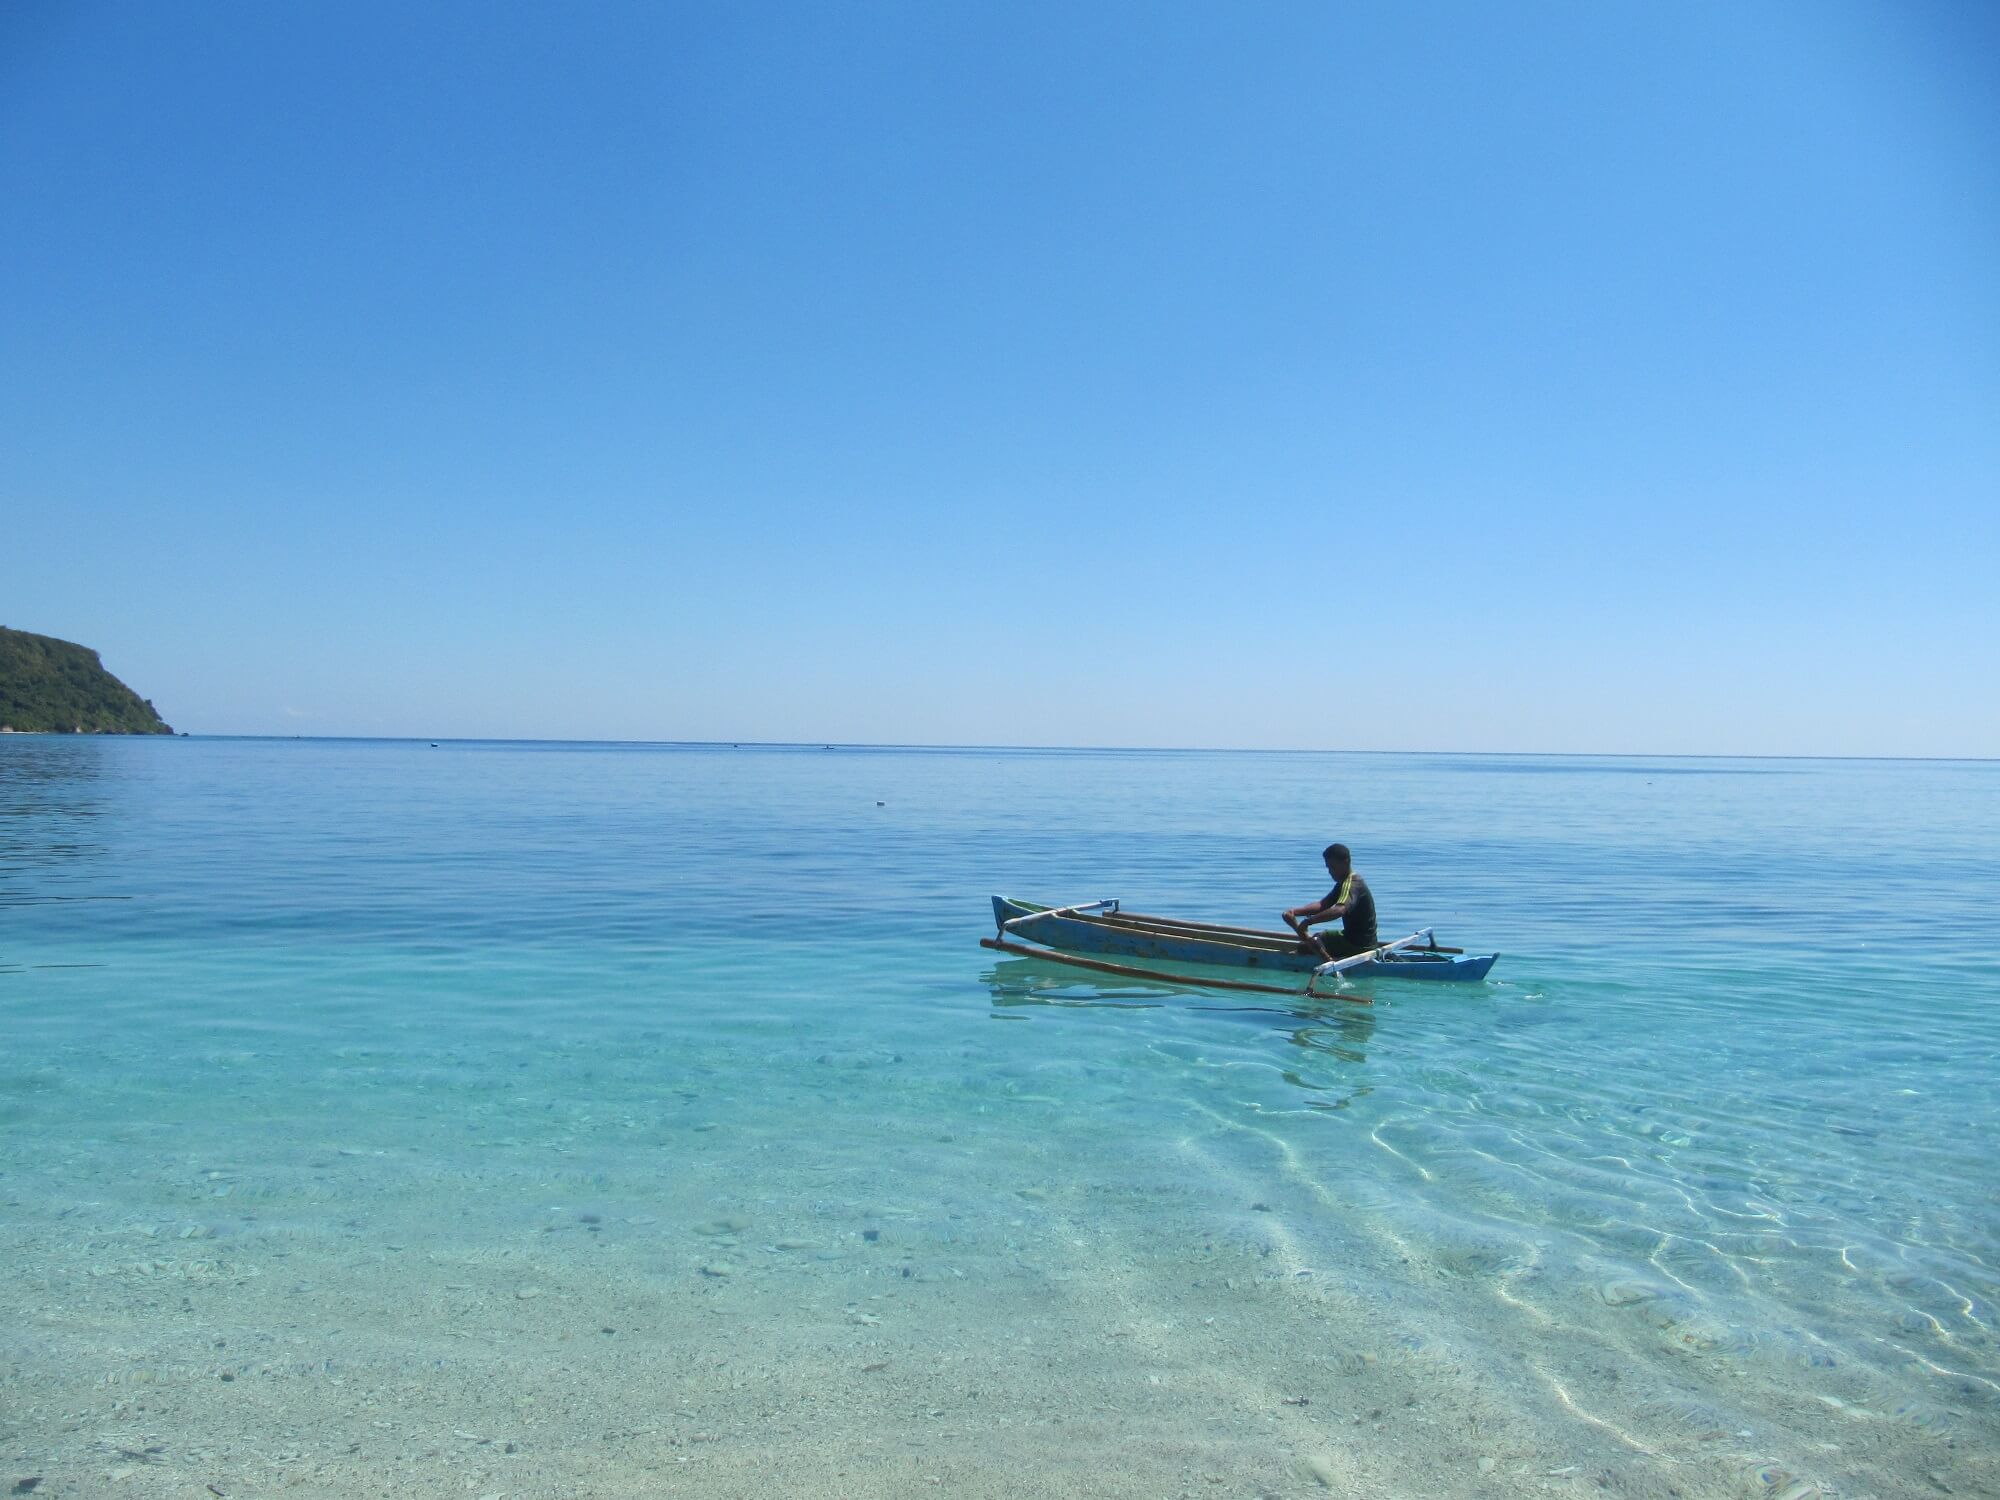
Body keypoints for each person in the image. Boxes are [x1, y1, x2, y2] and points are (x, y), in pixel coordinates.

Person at [1282, 843, 1378, 959]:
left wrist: (1309, 921)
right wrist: (1295, 912)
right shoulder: (1343, 882)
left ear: (1346, 862)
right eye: (1328, 868)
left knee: (1305, 947)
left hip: (1358, 946)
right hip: (1353, 938)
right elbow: (1323, 904)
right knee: (1318, 938)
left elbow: (1339, 910)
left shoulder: (1352, 884)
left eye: (1333, 867)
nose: (1330, 872)